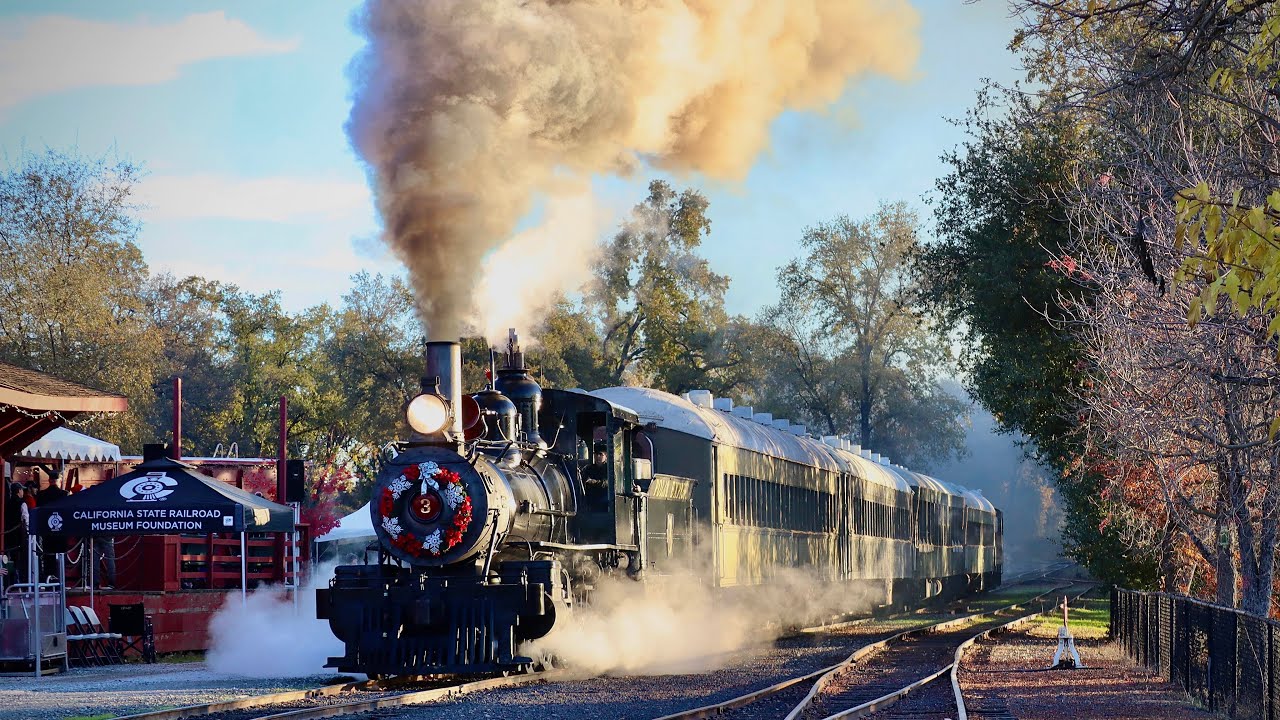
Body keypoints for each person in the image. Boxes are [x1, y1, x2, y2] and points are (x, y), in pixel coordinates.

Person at [33, 469, 67, 582]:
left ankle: (48, 577)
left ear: (49, 480)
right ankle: (60, 577)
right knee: (61, 554)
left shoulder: (41, 495)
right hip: (61, 529)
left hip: (47, 529)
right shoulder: (64, 494)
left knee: (48, 555)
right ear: (58, 480)